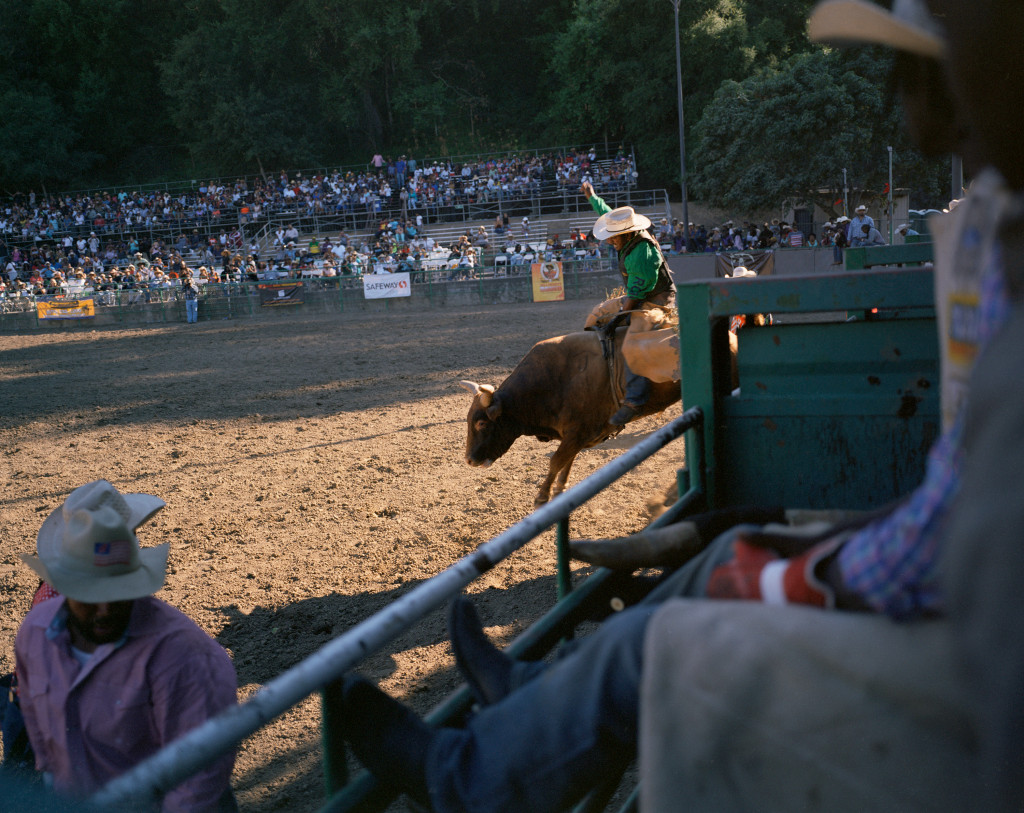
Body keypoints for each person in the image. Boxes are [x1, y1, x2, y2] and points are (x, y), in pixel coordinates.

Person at [334, 1, 1024, 810]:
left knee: (627, 348)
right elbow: (961, 509)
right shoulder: (992, 243)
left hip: (976, 679)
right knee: (734, 535)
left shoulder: (644, 256)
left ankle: (486, 765)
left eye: (928, 69)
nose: (916, 107)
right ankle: (541, 694)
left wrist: (791, 567)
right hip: (966, 610)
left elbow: (961, 542)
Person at [14, 480, 238, 811]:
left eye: (117, 595)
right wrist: (49, 770)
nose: (104, 610)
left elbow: (198, 778)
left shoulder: (185, 656)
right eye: (90, 598)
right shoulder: (34, 632)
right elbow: (34, 709)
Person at [580, 180, 676, 426]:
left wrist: (619, 318)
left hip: (657, 300)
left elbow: (635, 297)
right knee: (597, 314)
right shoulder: (626, 235)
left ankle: (635, 400)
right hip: (640, 294)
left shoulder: (643, 253)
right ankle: (604, 370)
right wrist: (592, 196)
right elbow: (606, 213)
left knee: (634, 340)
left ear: (626, 233)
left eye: (613, 238)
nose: (609, 241)